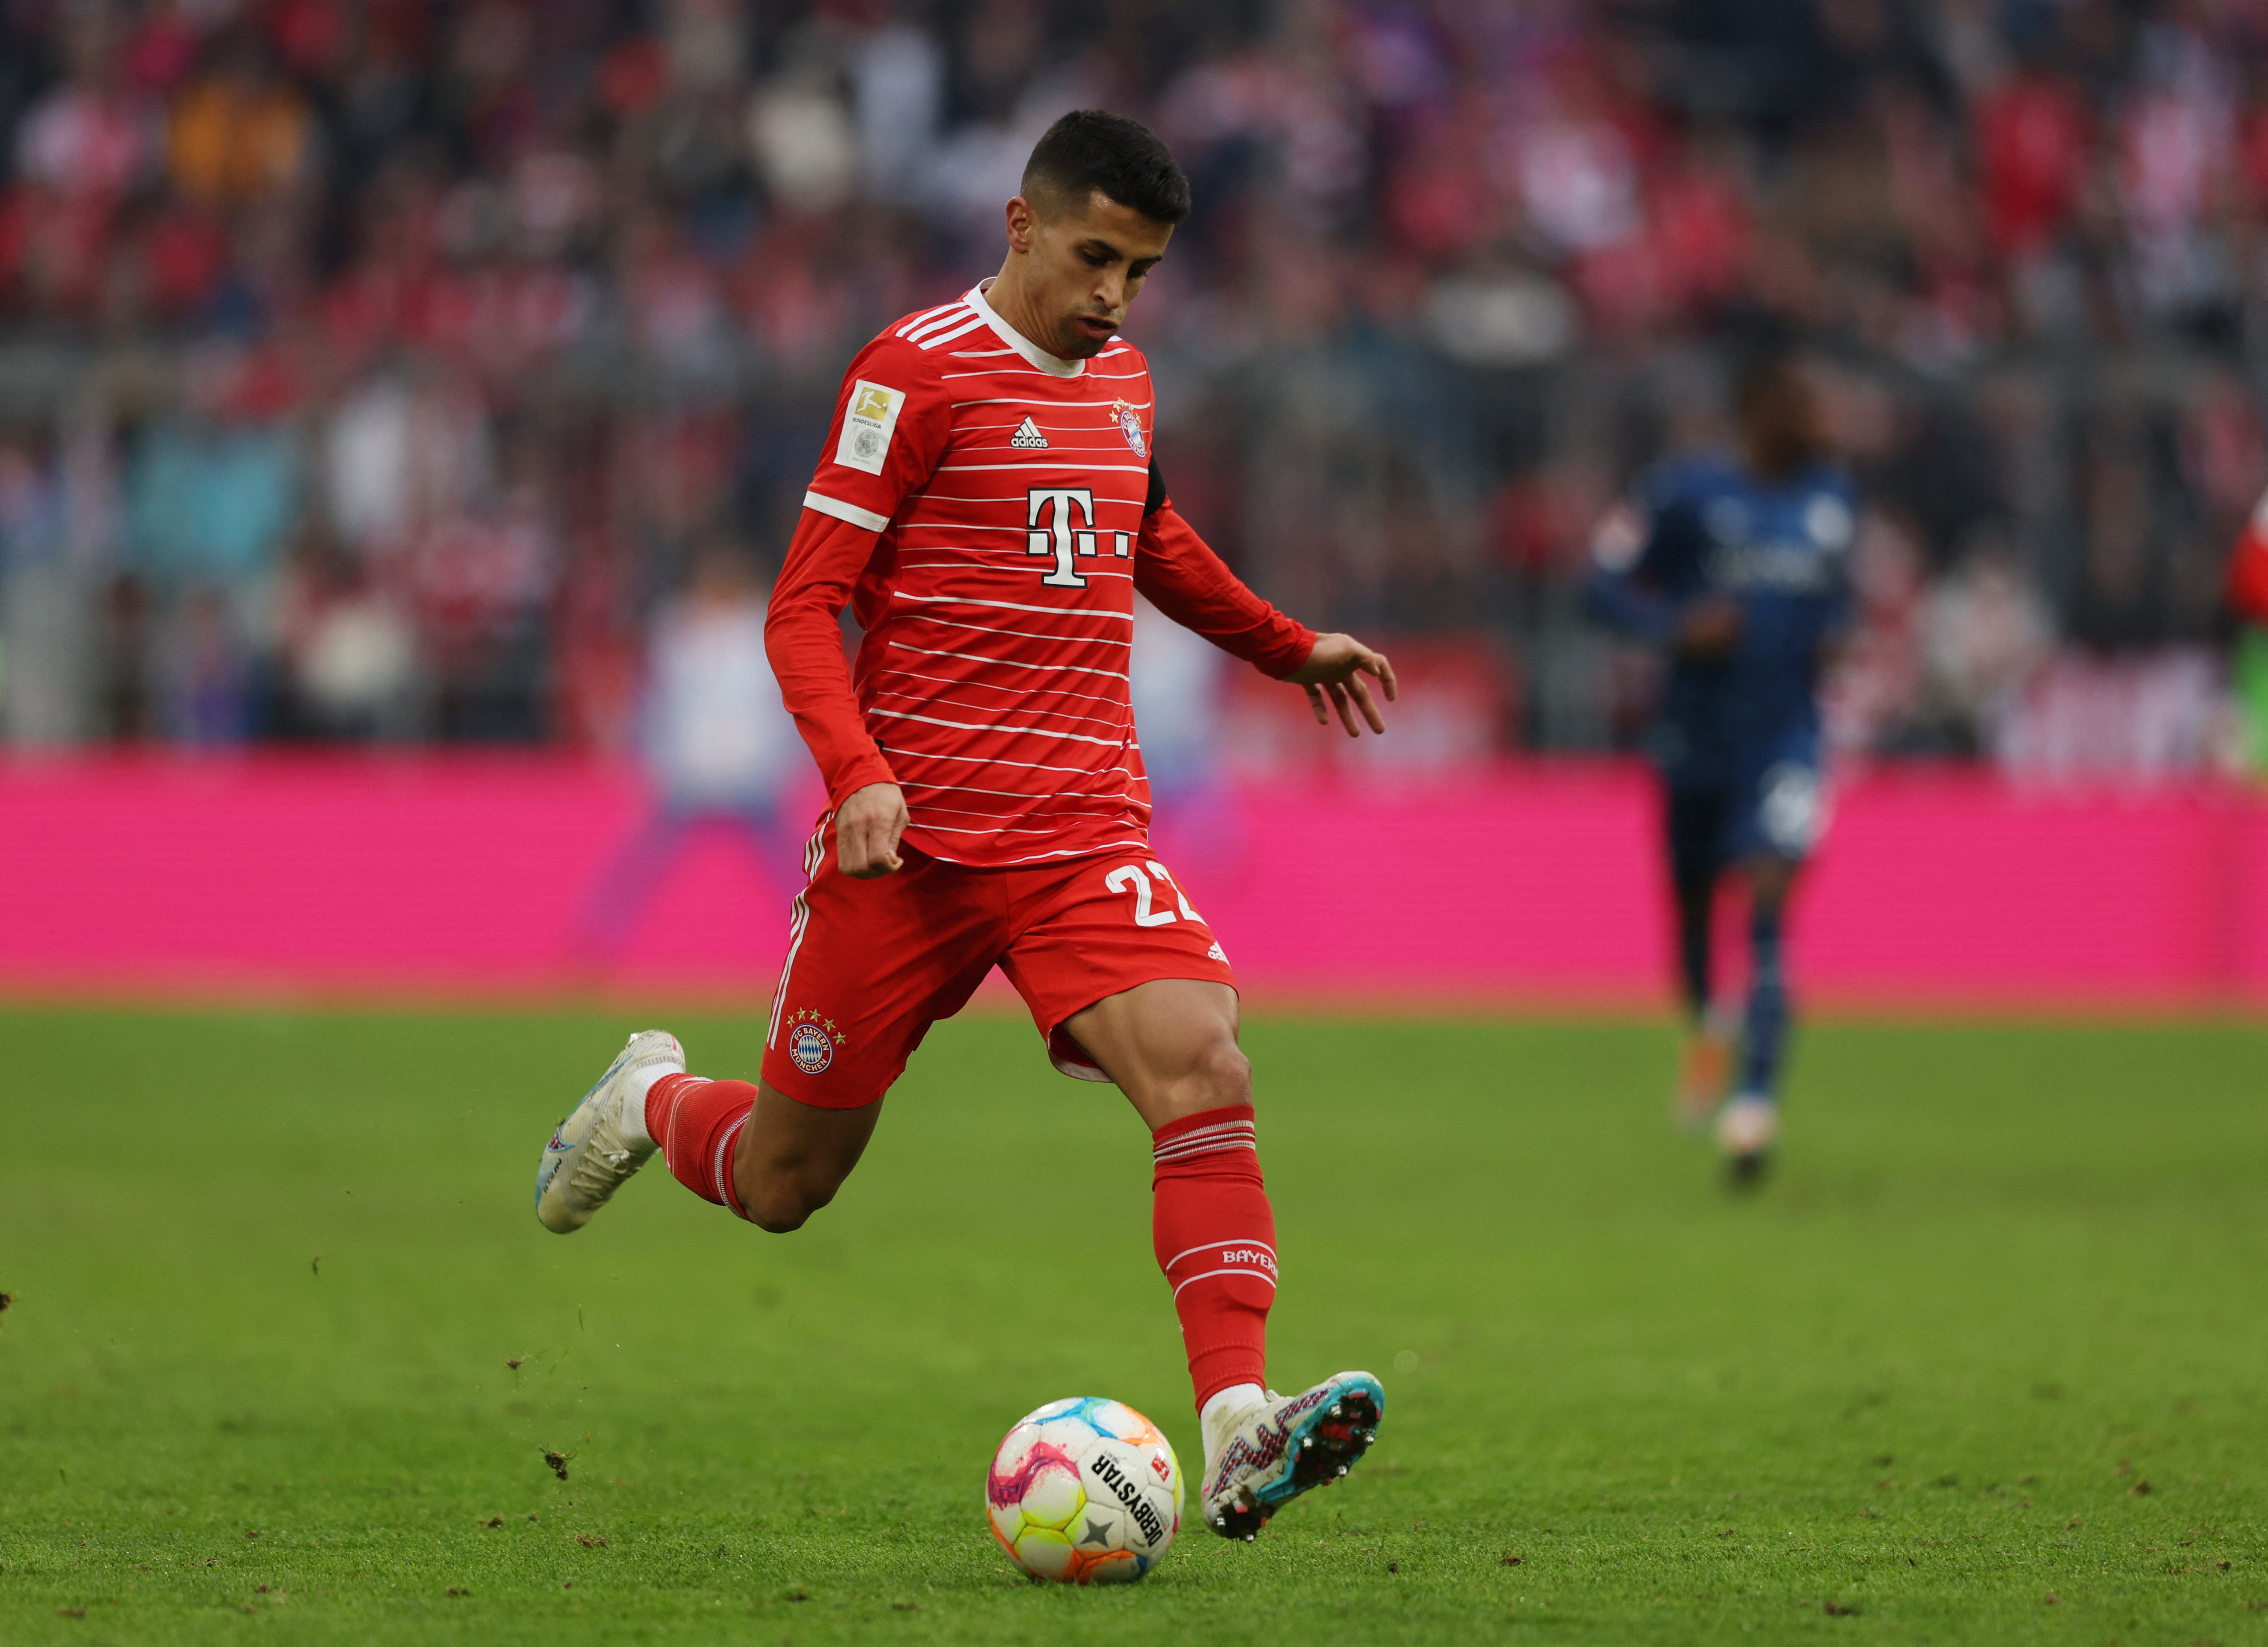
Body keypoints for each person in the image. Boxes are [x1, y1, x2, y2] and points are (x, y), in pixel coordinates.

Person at [531, 112, 1399, 1541]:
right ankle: (650, 1102)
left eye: (1142, 268)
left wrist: (1280, 643)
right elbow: (804, 602)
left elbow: (1145, 536)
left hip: (1077, 832)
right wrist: (856, 769)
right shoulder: (912, 371)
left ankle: (1241, 1421)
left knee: (1202, 1063)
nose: (1115, 292)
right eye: (1094, 255)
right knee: (782, 1183)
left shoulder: (1123, 380)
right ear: (1019, 223)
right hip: (908, 848)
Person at [1587, 352, 1853, 1184]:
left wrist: (1836, 641)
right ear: (1758, 405)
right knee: (1693, 910)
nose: (1821, 415)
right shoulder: (1685, 493)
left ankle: (1754, 1104)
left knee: (1771, 901)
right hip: (1695, 741)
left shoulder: (1833, 502)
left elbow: (1837, 608)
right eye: (1804, 397)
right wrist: (1673, 627)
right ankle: (1708, 1025)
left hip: (1786, 741)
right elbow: (1598, 584)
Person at [572, 542, 802, 967]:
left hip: (746, 773)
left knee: (788, 868)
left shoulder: (760, 632)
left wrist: (785, 762)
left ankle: (824, 936)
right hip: (693, 773)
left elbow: (781, 707)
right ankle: (597, 941)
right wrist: (649, 757)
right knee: (643, 864)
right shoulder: (680, 632)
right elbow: (658, 705)